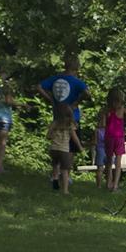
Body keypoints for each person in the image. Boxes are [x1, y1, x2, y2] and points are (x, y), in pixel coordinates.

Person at [38, 55, 89, 189]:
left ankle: (55, 174)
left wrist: (51, 99)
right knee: (70, 147)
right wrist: (76, 102)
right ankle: (67, 175)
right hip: (72, 117)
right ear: (76, 67)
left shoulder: (55, 79)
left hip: (57, 116)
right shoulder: (76, 82)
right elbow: (87, 93)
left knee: (57, 143)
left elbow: (39, 87)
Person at [47, 103, 81, 195]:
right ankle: (65, 190)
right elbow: (75, 138)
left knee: (55, 168)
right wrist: (80, 147)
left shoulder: (55, 123)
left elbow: (48, 136)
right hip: (64, 150)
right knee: (65, 171)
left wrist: (53, 135)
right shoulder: (70, 125)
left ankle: (55, 186)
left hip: (54, 149)